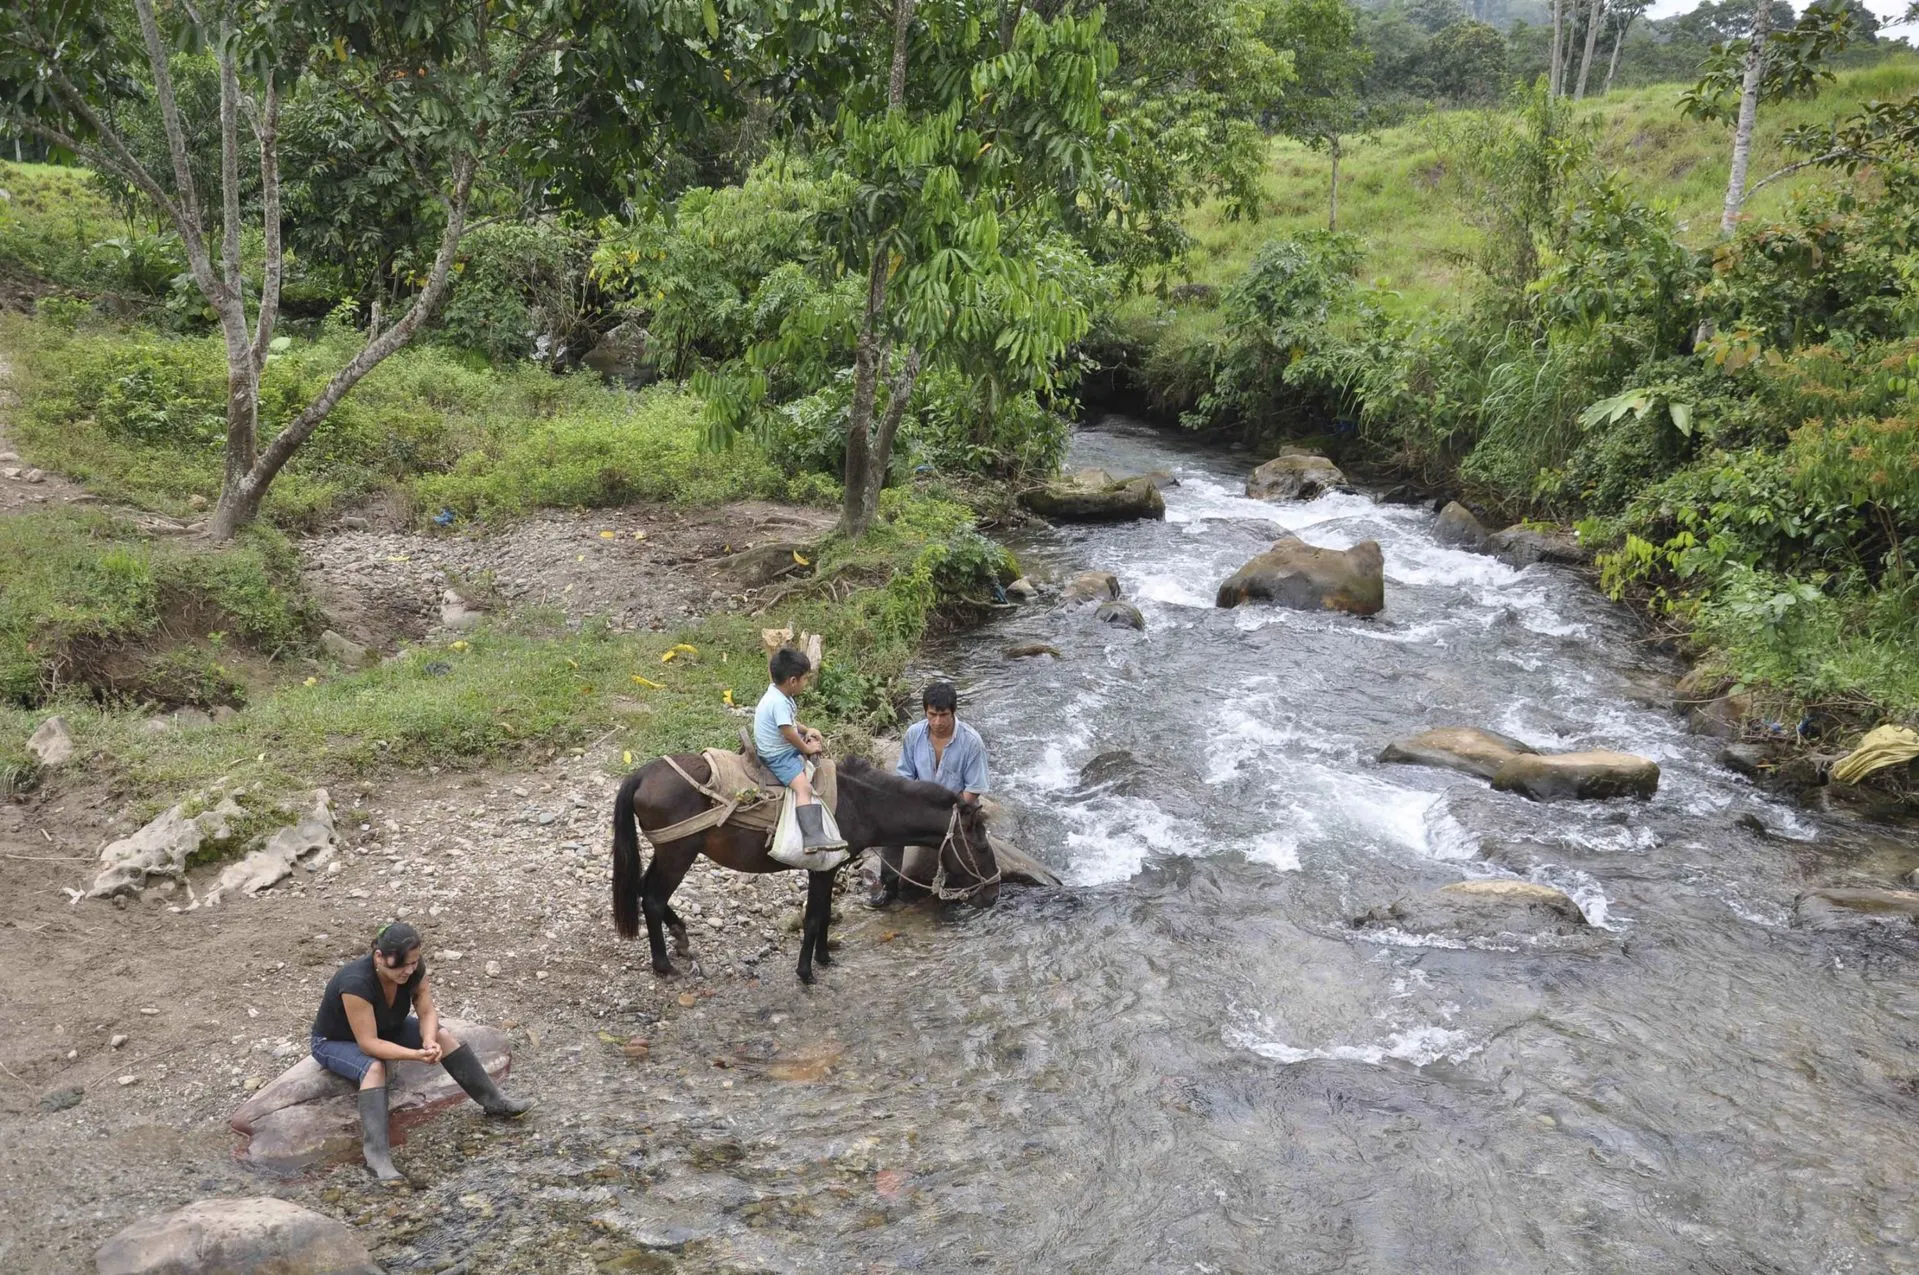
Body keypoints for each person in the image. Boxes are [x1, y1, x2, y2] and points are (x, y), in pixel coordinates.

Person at [311, 921, 531, 1182]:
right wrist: (414, 1055)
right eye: (402, 965)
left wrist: (428, 1040)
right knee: (373, 1068)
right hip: (335, 1040)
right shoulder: (355, 983)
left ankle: (494, 1102)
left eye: (414, 963)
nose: (409, 971)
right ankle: (376, 1157)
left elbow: (426, 1011)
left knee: (443, 1034)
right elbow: (368, 1044)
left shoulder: (414, 970)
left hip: (387, 1028)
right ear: (379, 956)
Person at [868, 681, 989, 905]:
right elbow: (905, 775)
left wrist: (950, 812)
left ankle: (961, 891)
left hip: (955, 808)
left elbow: (974, 788)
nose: (937, 722)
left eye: (943, 715)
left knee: (966, 848)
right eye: (932, 714)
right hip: (921, 804)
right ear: (925, 711)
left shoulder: (971, 742)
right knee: (891, 829)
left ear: (953, 712)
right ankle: (889, 886)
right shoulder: (914, 734)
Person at [753, 645, 846, 852]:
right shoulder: (779, 703)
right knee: (803, 787)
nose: (806, 683)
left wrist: (807, 729)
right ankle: (812, 837)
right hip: (777, 755)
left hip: (777, 745)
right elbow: (788, 732)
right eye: (805, 679)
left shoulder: (778, 694)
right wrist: (806, 748)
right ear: (793, 681)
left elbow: (792, 724)